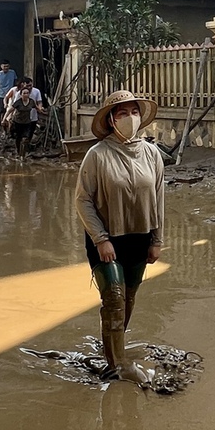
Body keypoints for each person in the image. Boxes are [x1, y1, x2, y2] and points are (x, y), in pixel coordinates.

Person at [75, 89, 167, 381]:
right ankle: (118, 364)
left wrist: (156, 240)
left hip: (139, 238)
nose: (130, 118)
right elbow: (82, 200)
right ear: (111, 120)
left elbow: (159, 198)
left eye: (134, 112)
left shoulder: (152, 154)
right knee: (113, 299)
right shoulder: (97, 155)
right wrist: (100, 239)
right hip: (106, 240)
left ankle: (112, 350)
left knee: (127, 300)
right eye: (123, 113)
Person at [3, 75, 44, 156]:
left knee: (28, 136)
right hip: (19, 120)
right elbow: (12, 108)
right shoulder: (18, 96)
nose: (29, 88)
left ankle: (25, 151)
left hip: (30, 119)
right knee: (19, 136)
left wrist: (41, 109)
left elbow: (38, 104)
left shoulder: (34, 95)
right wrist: (6, 118)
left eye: (30, 85)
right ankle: (19, 151)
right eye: (27, 86)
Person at [0, 60, 17, 124]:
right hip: (1, 95)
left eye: (7, 66)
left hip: (11, 95)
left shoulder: (12, 72)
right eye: (4, 66)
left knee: (11, 111)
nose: (6, 68)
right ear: (1, 66)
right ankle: (2, 125)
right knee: (2, 111)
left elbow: (15, 82)